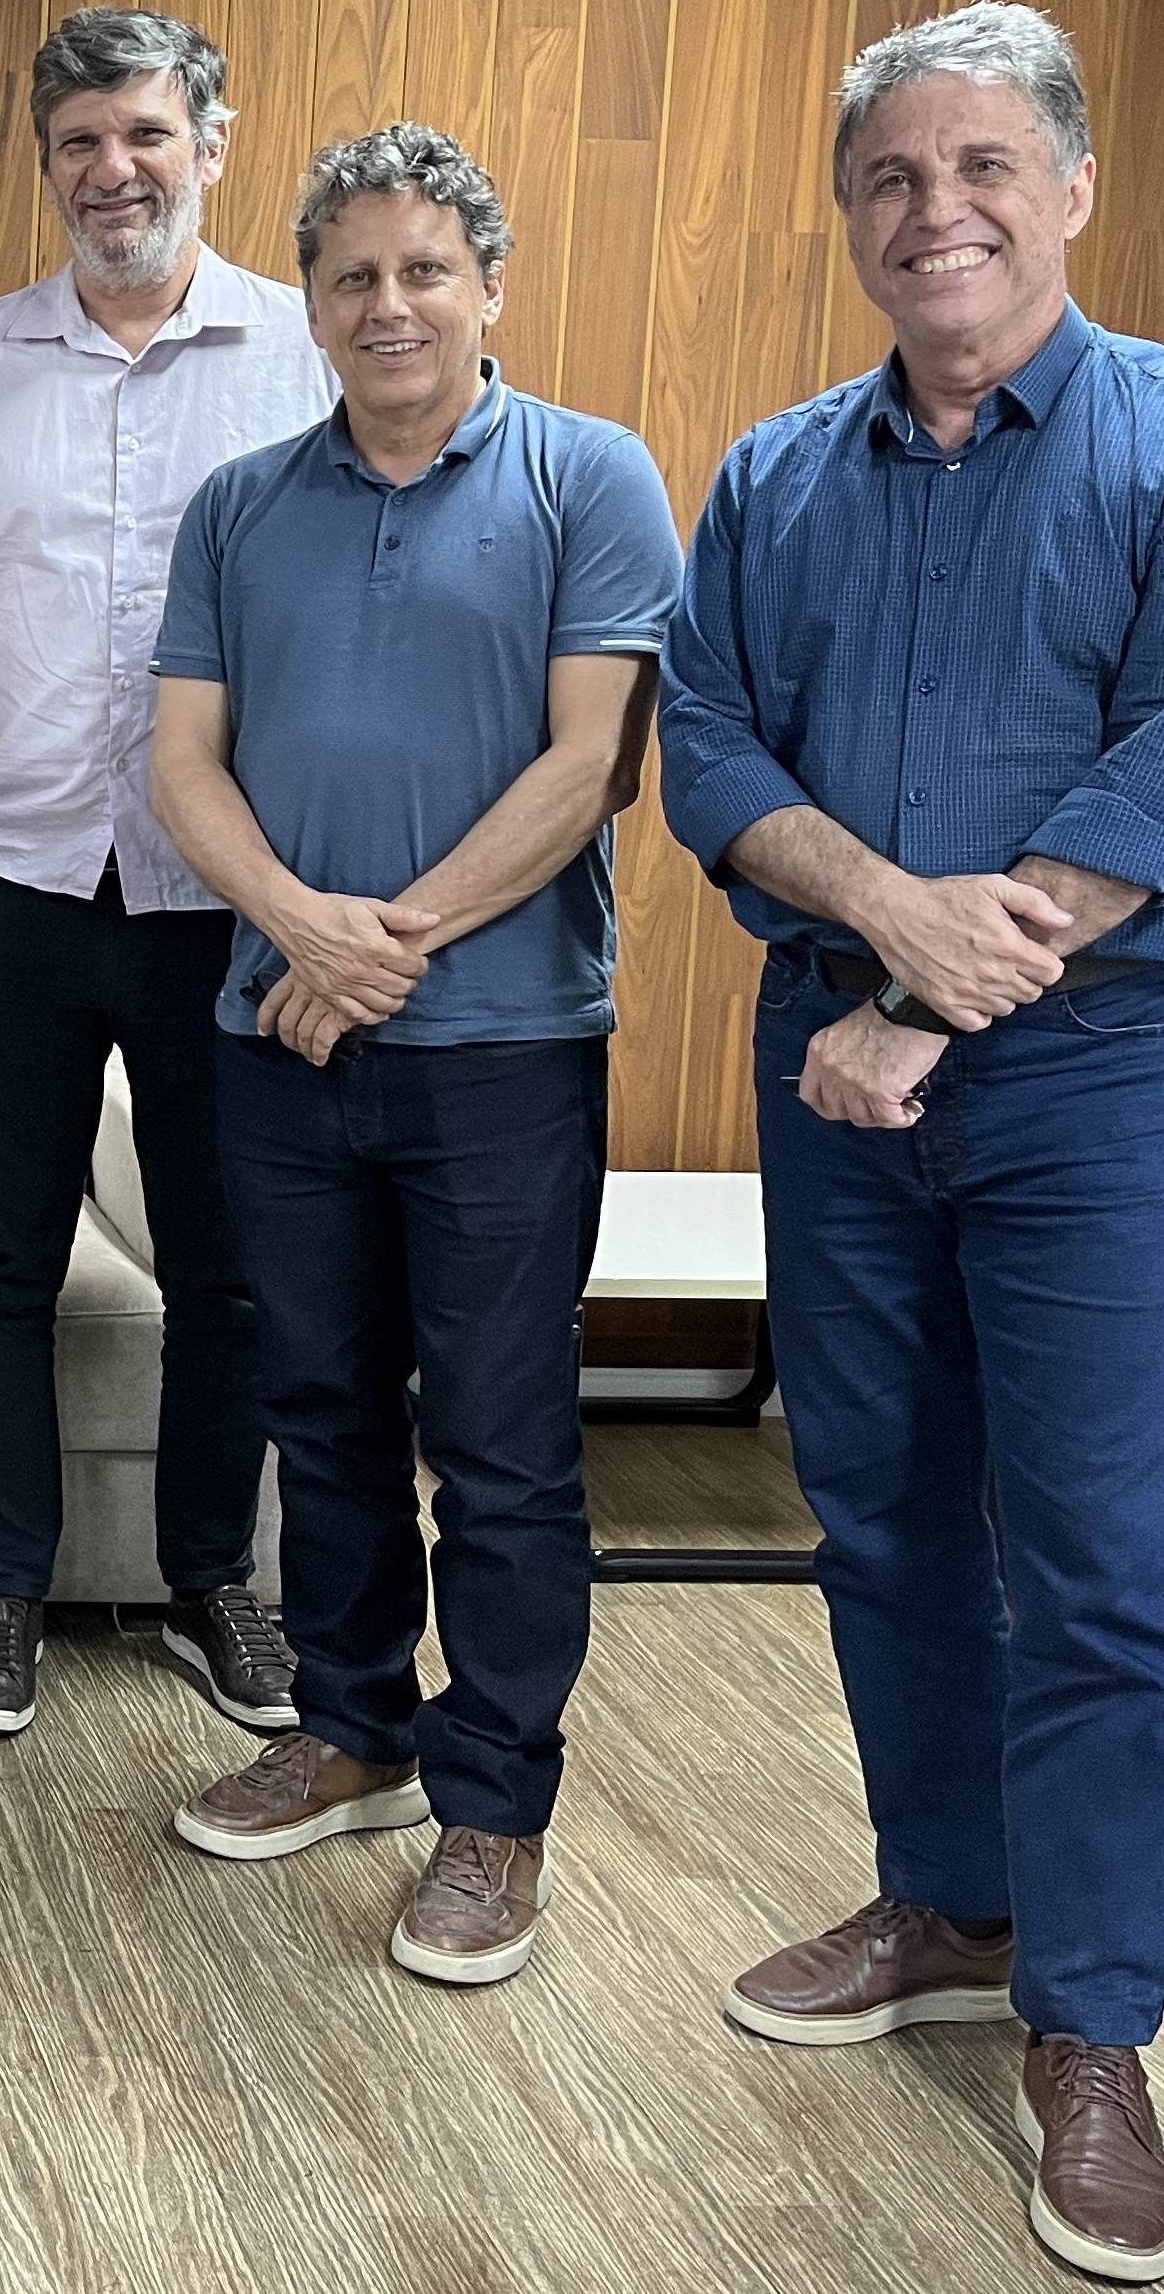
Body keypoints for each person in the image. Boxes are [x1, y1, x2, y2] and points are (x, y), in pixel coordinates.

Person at [657, 4, 1164, 2284]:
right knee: (877, 1512)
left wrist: (924, 1012)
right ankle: (945, 1895)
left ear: (1070, 185)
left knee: (1104, 1554)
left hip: (1090, 1083)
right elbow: (716, 752)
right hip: (835, 1074)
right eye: (888, 177)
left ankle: (1096, 2026)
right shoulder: (772, 476)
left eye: (979, 166)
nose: (933, 209)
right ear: (851, 213)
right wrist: (876, 932)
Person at [146, 126, 679, 1988]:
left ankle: (493, 1807)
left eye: (423, 271)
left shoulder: (589, 479)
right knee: (323, 1409)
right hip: (275, 1036)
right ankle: (357, 1726)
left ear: (489, 289)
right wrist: (301, 930)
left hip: (503, 1046)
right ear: (308, 303)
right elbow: (182, 764)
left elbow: (590, 765)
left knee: (507, 1445)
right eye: (352, 276)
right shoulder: (240, 505)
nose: (388, 306)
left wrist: (381, 946)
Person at [0, 6, 333, 1737]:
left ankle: (213, 1578)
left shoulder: (306, 356)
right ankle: (2, 1590)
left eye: (145, 133)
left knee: (226, 1260)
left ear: (212, 144)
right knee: (1, 1252)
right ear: (47, 163)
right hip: (6, 878)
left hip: (229, 896)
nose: (112, 168)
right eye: (78, 140)